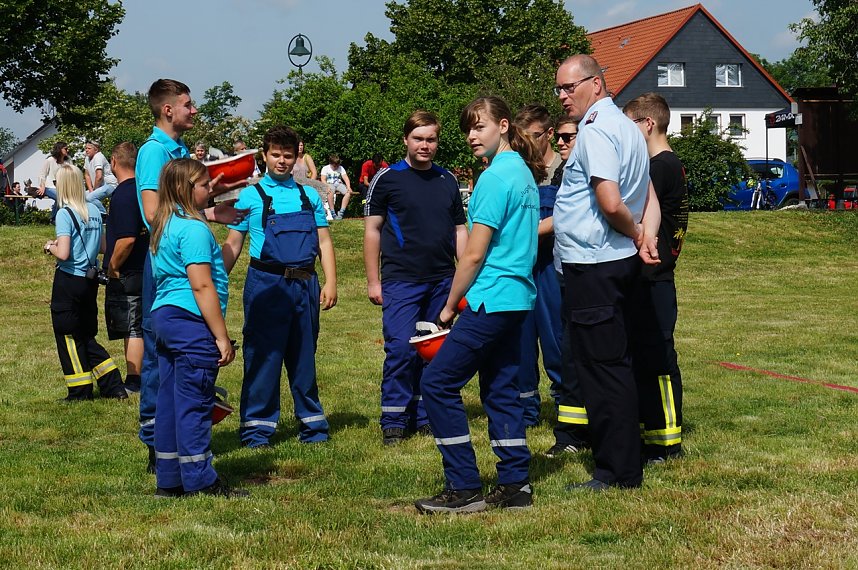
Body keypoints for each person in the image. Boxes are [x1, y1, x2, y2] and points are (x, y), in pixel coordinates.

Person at [415, 96, 544, 514]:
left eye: (480, 126)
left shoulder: (492, 179)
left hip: (490, 298)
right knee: (501, 388)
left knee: (437, 384)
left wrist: (449, 306)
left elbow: (473, 253)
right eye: (468, 128)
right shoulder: (523, 173)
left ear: (503, 126)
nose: (472, 135)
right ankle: (515, 485)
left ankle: (464, 485)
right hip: (519, 298)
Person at [552, 54, 660, 492]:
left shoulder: (597, 132)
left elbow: (611, 201)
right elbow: (649, 194)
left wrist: (635, 232)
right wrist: (646, 235)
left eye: (569, 87)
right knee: (617, 361)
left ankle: (616, 471)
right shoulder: (629, 130)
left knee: (601, 368)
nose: (562, 96)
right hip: (616, 261)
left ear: (596, 84)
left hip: (595, 263)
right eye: (558, 89)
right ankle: (624, 462)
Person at [136, 78, 247, 472]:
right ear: (168, 110)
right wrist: (203, 217)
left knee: (173, 362)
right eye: (188, 104)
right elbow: (155, 216)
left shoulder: (179, 151)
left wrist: (215, 207)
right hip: (173, 277)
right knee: (161, 363)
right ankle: (158, 447)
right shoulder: (154, 152)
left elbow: (178, 208)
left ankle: (170, 455)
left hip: (180, 266)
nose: (194, 110)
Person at [222, 126, 337, 449]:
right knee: (263, 357)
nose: (282, 161)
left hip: (305, 285)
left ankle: (313, 426)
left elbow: (324, 241)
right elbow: (233, 244)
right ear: (264, 156)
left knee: (304, 355)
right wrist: (213, 281)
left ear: (296, 156)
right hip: (266, 286)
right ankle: (257, 430)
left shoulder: (308, 195)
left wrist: (330, 282)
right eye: (276, 155)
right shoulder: (251, 196)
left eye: (288, 155)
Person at [363, 110, 468, 446]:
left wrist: (463, 276)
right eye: (419, 139)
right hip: (401, 280)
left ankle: (425, 414)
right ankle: (394, 418)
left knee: (434, 349)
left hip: (443, 279)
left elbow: (459, 230)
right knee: (400, 349)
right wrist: (373, 281)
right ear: (406, 140)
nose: (425, 145)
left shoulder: (447, 180)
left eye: (431, 139)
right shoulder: (387, 178)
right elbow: (372, 231)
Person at [148, 158, 246, 498]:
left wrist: (231, 229)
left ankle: (170, 479)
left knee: (170, 402)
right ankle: (201, 481)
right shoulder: (192, 230)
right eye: (205, 184)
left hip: (164, 318)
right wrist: (221, 337)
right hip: (191, 322)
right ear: (184, 189)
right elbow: (202, 286)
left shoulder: (166, 224)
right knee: (195, 403)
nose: (211, 189)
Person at [623, 92, 689, 464]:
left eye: (629, 124)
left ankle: (667, 442)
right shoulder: (665, 164)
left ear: (647, 124)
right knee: (646, 359)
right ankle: (651, 432)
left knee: (660, 361)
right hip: (652, 277)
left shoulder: (658, 167)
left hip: (655, 278)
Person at [43, 163, 127, 401]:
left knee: (68, 335)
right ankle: (112, 384)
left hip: (69, 280)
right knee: (85, 334)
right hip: (88, 282)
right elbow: (102, 247)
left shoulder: (64, 213)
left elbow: (64, 253)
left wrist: (50, 246)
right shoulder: (92, 209)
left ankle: (80, 391)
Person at [512, 105, 564, 428]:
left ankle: (566, 409)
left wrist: (526, 233)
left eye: (532, 137)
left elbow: (564, 217)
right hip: (522, 265)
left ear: (548, 134)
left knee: (556, 340)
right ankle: (526, 413)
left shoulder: (565, 168)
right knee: (520, 342)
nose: (526, 144)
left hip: (551, 265)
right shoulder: (520, 170)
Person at [544, 115, 592, 458]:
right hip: (565, 270)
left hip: (588, 272)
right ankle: (571, 434)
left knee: (581, 353)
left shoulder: (590, 169)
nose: (561, 143)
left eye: (567, 137)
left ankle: (577, 433)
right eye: (558, 137)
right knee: (569, 352)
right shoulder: (564, 172)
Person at [103, 142, 147, 395]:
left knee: (132, 326)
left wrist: (113, 266)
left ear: (113, 162)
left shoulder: (122, 194)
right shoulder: (143, 191)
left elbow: (127, 238)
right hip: (146, 265)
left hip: (129, 270)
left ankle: (134, 379)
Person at [292, 140, 332, 221]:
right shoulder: (291, 157)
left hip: (307, 184)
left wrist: (309, 184)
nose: (300, 147)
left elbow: (314, 172)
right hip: (294, 185)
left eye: (301, 145)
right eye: (298, 145)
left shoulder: (307, 157)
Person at [37, 141, 70, 222]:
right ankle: (55, 218)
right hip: (49, 186)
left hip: (62, 188)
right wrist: (42, 187)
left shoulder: (68, 161)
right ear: (59, 149)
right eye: (65, 148)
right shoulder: (50, 160)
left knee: (62, 198)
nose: (67, 150)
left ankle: (53, 218)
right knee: (60, 198)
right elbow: (42, 175)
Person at [83, 140, 118, 215]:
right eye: (86, 148)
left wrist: (94, 191)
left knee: (90, 197)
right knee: (80, 197)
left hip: (110, 185)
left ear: (96, 150)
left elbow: (99, 177)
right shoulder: (87, 158)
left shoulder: (98, 157)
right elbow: (87, 175)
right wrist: (91, 190)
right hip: (99, 186)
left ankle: (103, 215)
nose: (86, 150)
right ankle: (90, 215)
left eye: (89, 148)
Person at [320, 154, 353, 220]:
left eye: (337, 165)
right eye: (334, 165)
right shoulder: (325, 168)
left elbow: (345, 178)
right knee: (330, 192)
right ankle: (333, 212)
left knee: (348, 193)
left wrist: (348, 187)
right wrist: (326, 186)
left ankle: (341, 212)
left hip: (338, 183)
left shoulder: (341, 168)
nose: (336, 167)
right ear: (331, 163)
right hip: (329, 183)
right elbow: (323, 179)